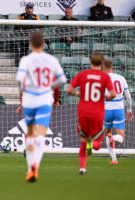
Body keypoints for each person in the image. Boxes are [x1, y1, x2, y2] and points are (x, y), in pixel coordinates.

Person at [16, 31, 67, 182]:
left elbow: (19, 80)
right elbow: (62, 80)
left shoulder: (26, 59)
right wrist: (48, 85)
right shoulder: (51, 59)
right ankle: (34, 168)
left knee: (30, 133)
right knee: (41, 135)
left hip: (30, 99)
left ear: (31, 44)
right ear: (43, 44)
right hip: (45, 99)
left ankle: (30, 167)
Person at [66, 52, 116, 175]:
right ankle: (92, 143)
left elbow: (68, 89)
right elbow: (113, 94)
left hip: (83, 112)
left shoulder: (82, 74)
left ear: (90, 61)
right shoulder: (105, 77)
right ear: (102, 63)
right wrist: (106, 98)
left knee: (84, 140)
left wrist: (78, 94)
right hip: (97, 113)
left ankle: (82, 168)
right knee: (97, 144)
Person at [102, 60, 133, 164]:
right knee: (120, 137)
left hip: (107, 111)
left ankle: (114, 159)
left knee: (108, 134)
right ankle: (113, 138)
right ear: (112, 67)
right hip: (119, 110)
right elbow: (128, 97)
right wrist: (129, 110)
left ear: (103, 68)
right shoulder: (121, 78)